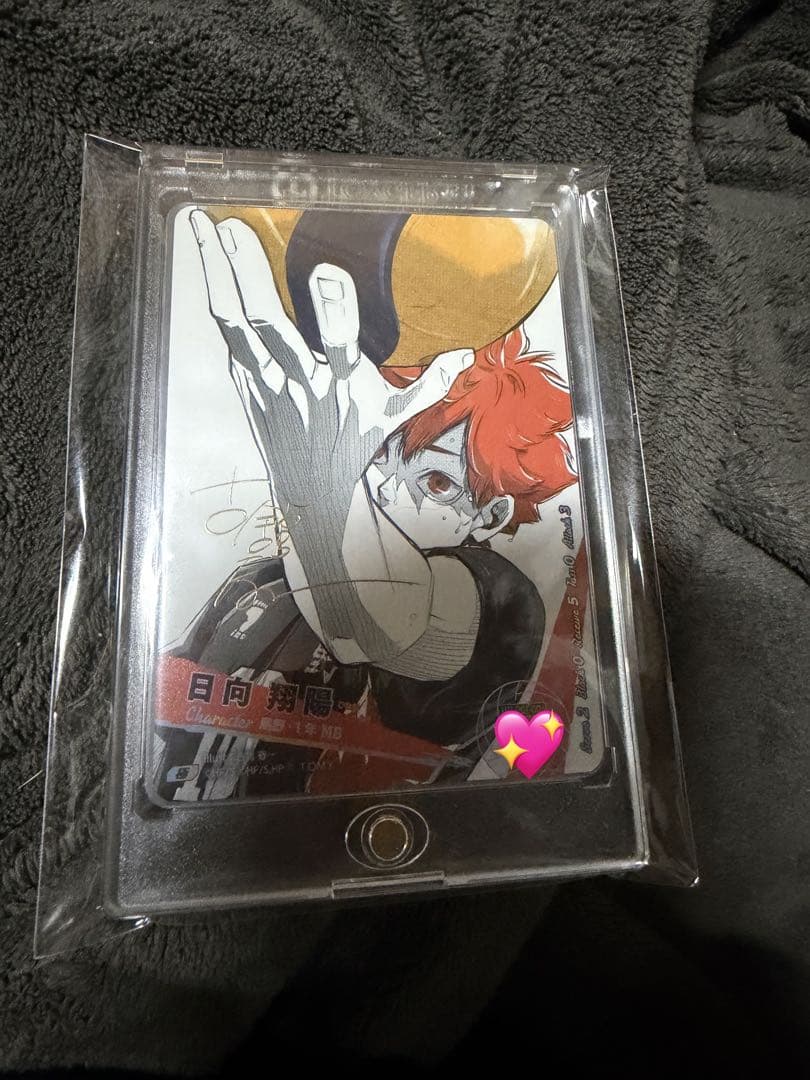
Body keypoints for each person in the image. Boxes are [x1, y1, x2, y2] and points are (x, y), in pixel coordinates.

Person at [156, 210, 576, 801]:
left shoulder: (498, 599)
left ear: (488, 517)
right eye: (377, 455)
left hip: (386, 838)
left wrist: (313, 485)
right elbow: (164, 706)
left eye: (434, 483)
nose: (384, 488)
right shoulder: (259, 586)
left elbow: (371, 626)